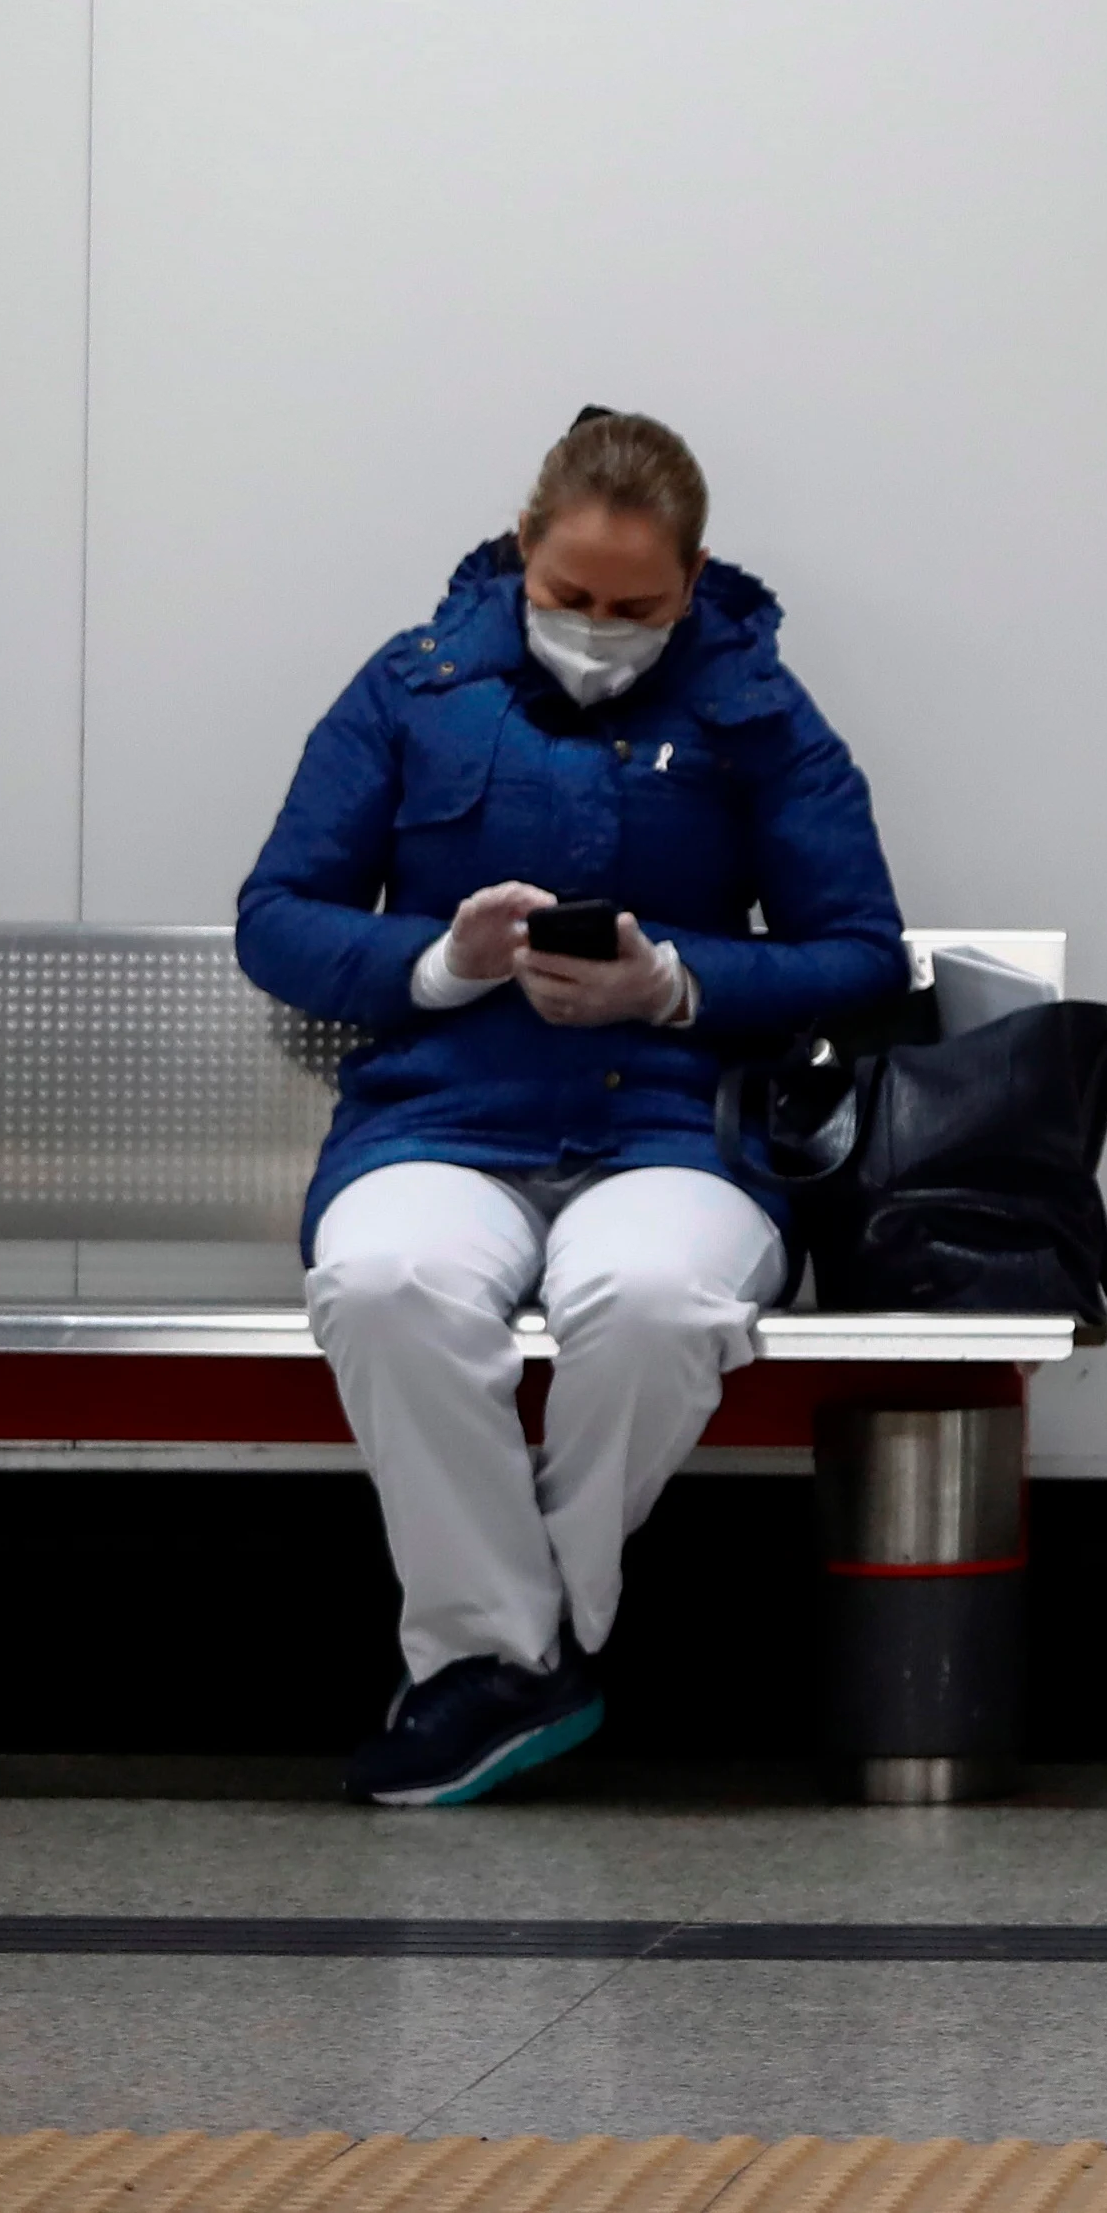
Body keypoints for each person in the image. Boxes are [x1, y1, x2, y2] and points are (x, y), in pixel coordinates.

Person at [238, 408, 907, 1807]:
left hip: (678, 1127)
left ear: (694, 575)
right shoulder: (411, 689)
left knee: (656, 1304)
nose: (600, 629)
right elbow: (277, 916)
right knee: (382, 1282)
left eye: (637, 607)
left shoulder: (760, 711)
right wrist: (434, 963)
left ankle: (497, 1663)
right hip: (440, 1115)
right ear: (520, 551)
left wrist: (673, 986)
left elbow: (859, 951)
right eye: (569, 598)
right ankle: (521, 1652)